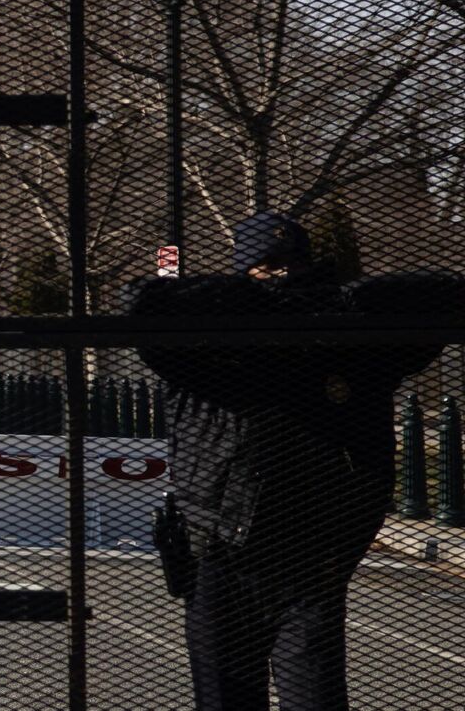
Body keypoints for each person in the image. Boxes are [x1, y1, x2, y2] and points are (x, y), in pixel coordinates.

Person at [132, 212, 456, 711]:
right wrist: (264, 305)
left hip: (311, 557)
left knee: (315, 696)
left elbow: (443, 295)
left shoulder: (350, 344)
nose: (284, 275)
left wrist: (331, 301)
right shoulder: (208, 346)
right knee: (227, 696)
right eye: (267, 267)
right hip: (221, 551)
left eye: (294, 265)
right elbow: (143, 305)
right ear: (244, 274)